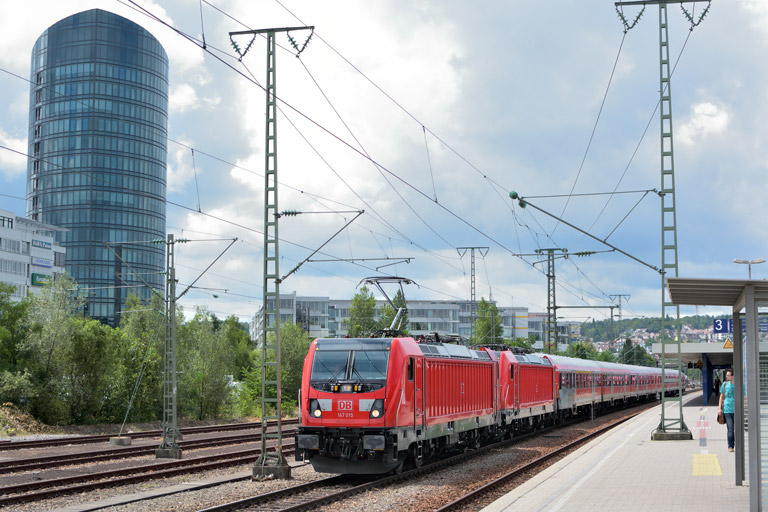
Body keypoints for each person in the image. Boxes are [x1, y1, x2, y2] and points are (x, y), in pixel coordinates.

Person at [718, 369, 735, 452]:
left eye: (728, 375)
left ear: (733, 376)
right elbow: (721, 396)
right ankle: (730, 446)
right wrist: (719, 408)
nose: (726, 376)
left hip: (737, 410)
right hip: (727, 410)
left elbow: (744, 397)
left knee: (737, 429)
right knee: (730, 428)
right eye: (726, 375)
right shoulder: (725, 384)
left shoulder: (739, 385)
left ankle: (735, 443)